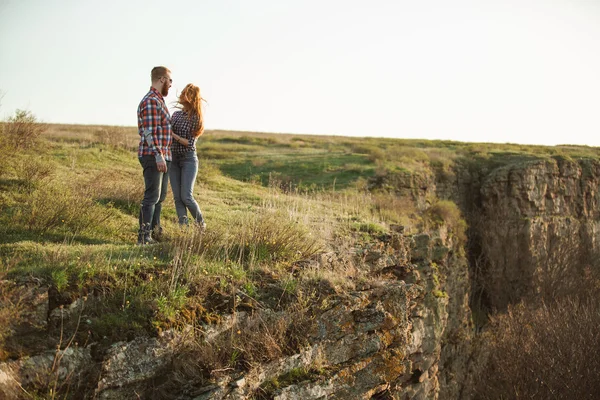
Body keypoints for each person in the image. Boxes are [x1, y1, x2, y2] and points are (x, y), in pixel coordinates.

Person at [137, 66, 173, 244]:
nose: (171, 85)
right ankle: (143, 238)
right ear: (162, 79)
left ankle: (154, 234)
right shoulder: (151, 101)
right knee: (151, 196)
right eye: (170, 81)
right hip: (153, 155)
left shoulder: (159, 100)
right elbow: (149, 132)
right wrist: (158, 155)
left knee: (159, 198)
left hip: (164, 155)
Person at [169, 83, 207, 229]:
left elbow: (190, 143)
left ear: (190, 98)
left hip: (188, 159)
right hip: (174, 158)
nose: (181, 95)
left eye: (185, 93)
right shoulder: (176, 114)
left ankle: (201, 224)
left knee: (186, 196)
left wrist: (173, 135)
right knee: (178, 198)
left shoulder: (196, 118)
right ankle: (183, 229)